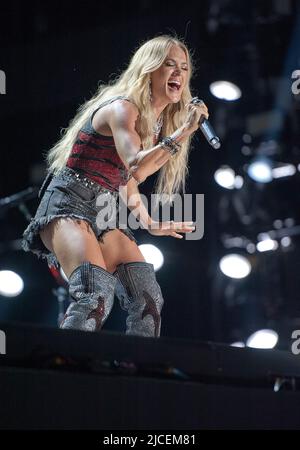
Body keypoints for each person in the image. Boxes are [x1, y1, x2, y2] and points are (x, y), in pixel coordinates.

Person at [22, 35, 209, 338]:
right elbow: (136, 164)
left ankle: (134, 373)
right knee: (95, 295)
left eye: (184, 68)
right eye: (169, 65)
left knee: (147, 301)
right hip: (68, 203)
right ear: (149, 69)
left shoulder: (156, 123)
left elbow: (128, 179)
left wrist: (149, 223)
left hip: (104, 209)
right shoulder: (124, 109)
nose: (178, 73)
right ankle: (66, 370)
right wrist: (185, 130)